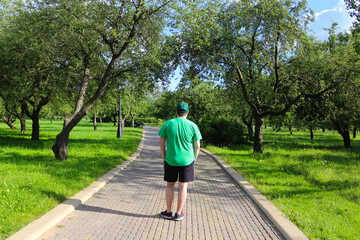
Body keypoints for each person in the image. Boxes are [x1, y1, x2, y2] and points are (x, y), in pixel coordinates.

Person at [158, 102, 202, 221]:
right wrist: (194, 159)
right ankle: (178, 213)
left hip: (171, 159)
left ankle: (168, 212)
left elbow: (161, 143)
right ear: (187, 112)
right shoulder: (193, 125)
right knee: (183, 186)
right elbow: (197, 146)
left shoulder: (168, 123)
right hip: (187, 161)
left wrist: (164, 156)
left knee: (170, 185)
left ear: (176, 112)